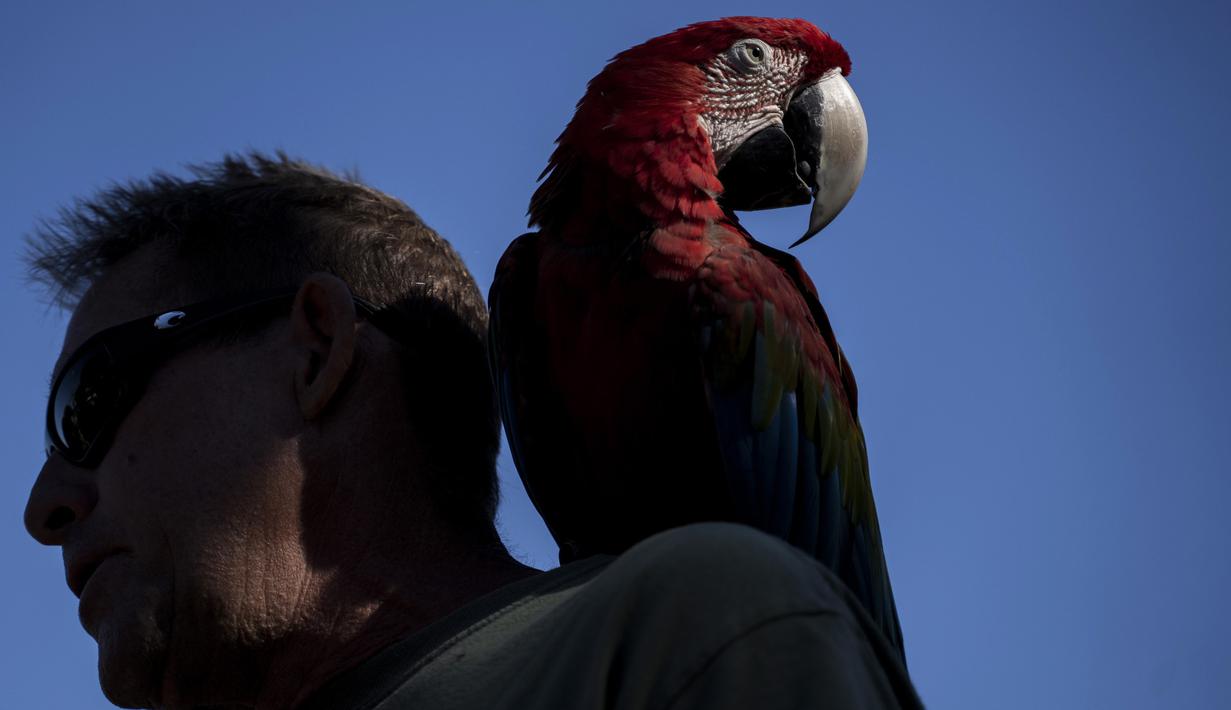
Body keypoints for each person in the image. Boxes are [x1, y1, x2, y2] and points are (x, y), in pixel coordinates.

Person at [23, 153, 921, 709]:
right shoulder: (542, 288)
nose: (42, 506)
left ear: (318, 351)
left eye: (88, 402)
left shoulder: (690, 630)